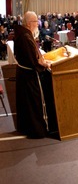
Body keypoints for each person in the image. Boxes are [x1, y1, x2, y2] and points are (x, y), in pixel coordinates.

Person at [14, 11, 53, 139]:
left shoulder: (25, 33)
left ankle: (27, 126)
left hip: (24, 74)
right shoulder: (25, 37)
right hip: (29, 76)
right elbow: (31, 60)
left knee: (27, 104)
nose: (38, 24)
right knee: (33, 104)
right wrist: (44, 65)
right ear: (30, 23)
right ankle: (37, 129)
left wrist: (41, 60)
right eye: (36, 21)